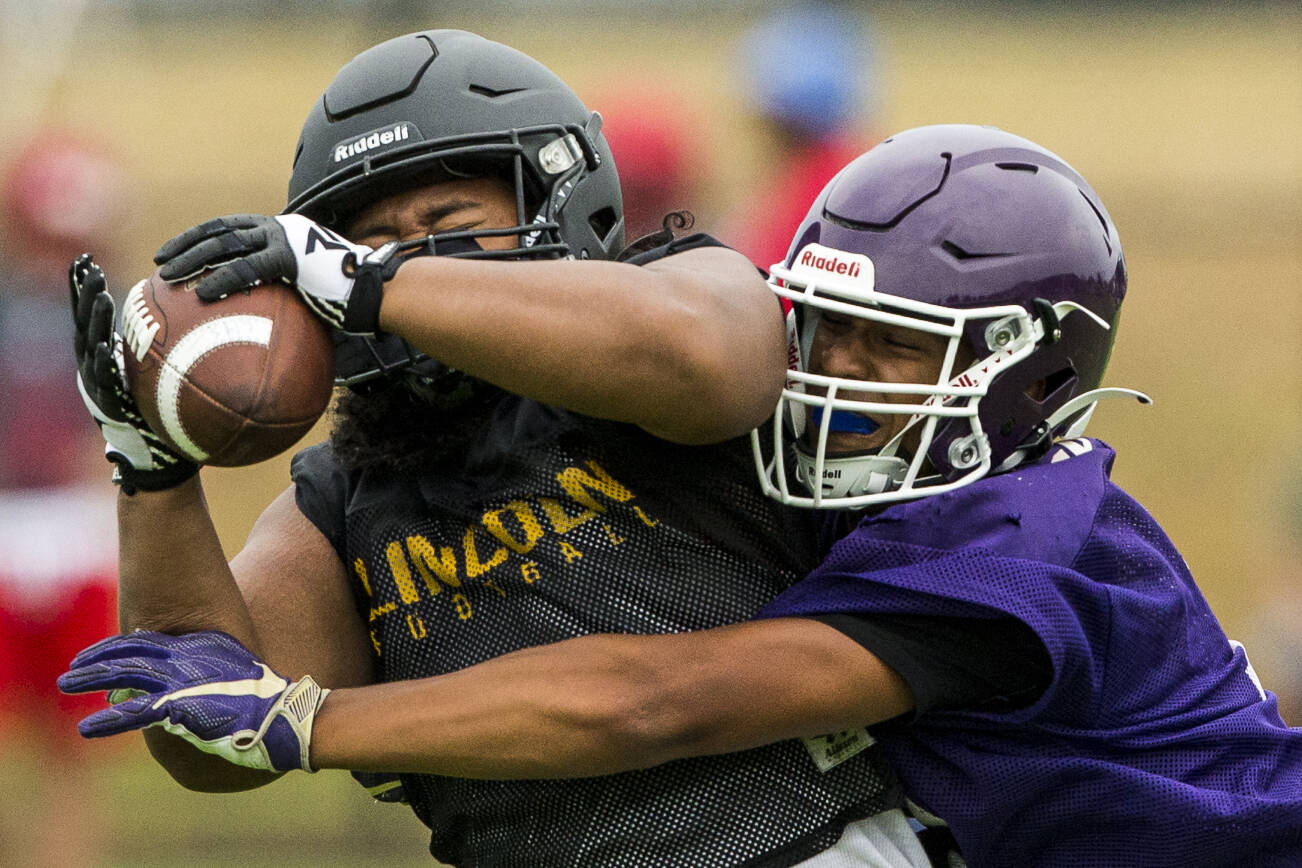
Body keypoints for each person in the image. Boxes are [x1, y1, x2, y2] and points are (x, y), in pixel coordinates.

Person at [64, 123, 1302, 867]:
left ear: (1032, 370)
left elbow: (656, 698)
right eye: (829, 331)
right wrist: (152, 456)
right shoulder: (929, 486)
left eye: (892, 347)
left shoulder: (1024, 544)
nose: (833, 373)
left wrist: (312, 721)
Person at [59, 29, 933, 868]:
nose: (408, 256)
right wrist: (151, 464)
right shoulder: (348, 491)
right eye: (368, 240)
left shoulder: (679, 295)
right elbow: (211, 728)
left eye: (447, 216)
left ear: (559, 199)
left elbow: (711, 365)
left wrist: (370, 278)